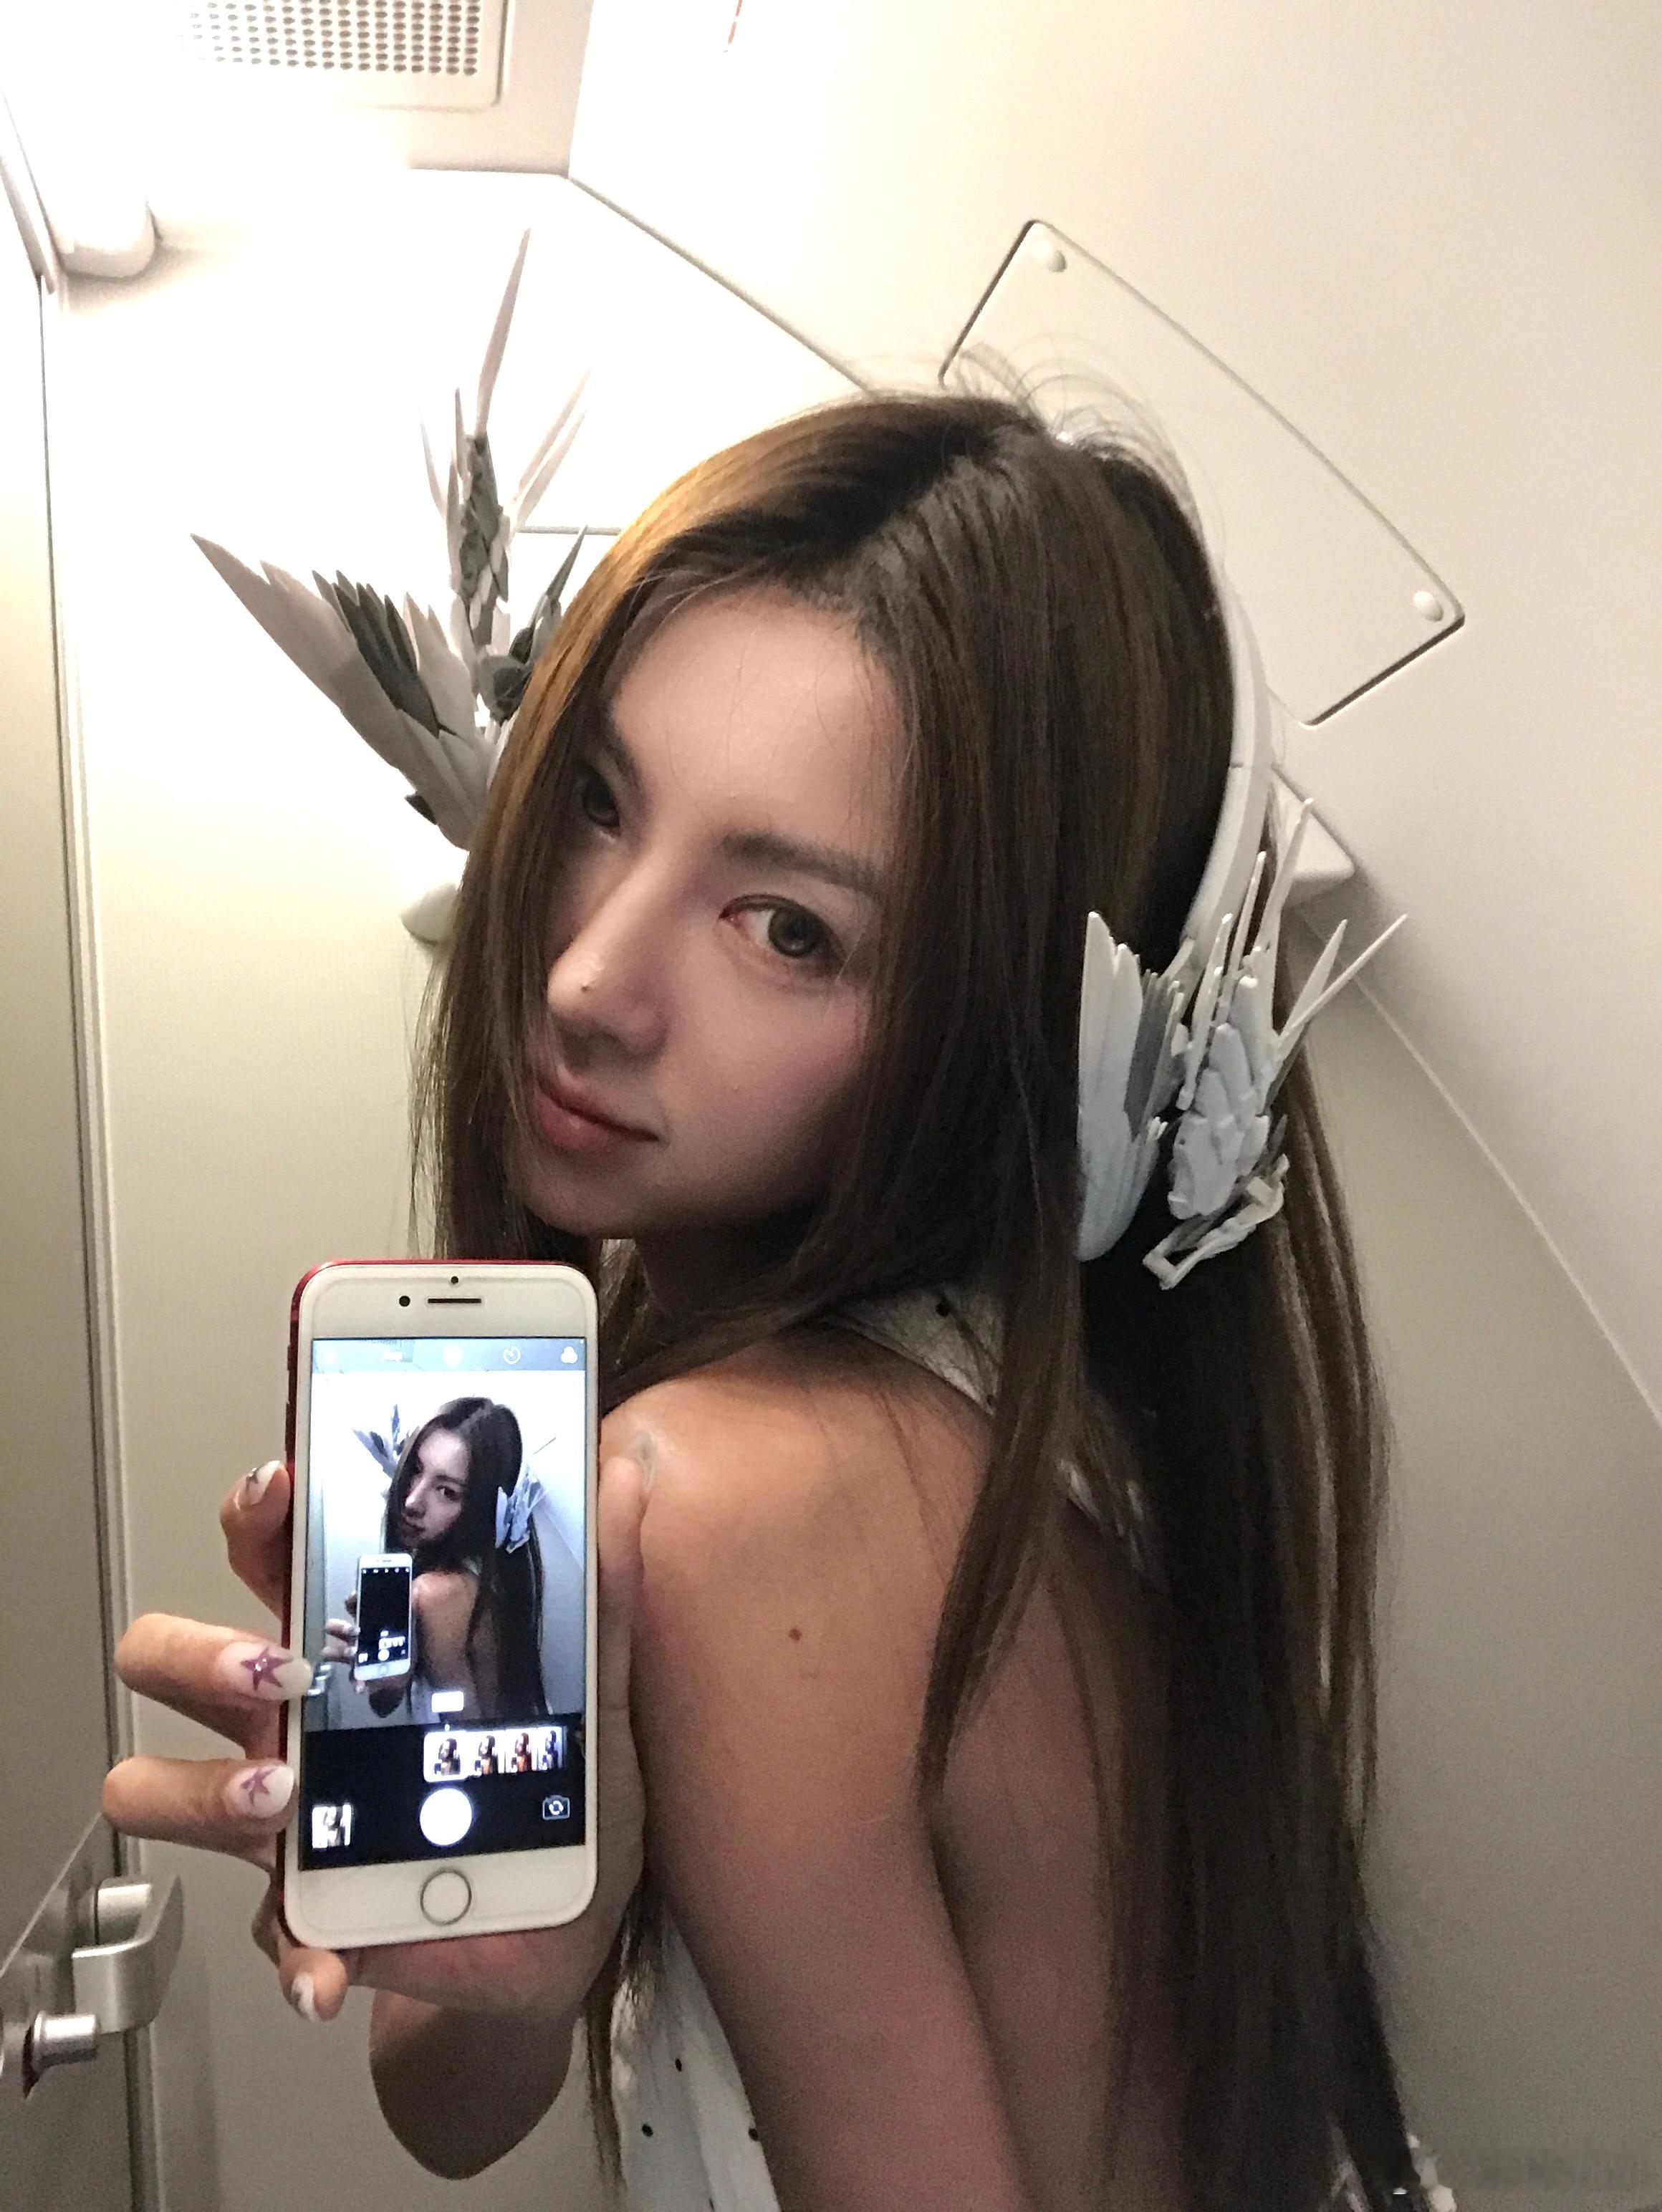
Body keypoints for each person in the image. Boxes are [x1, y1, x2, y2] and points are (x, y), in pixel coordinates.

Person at [102, 385, 1440, 2210]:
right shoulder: (1039, 1404)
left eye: (790, 927)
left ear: (995, 1034)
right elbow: (456, 2092)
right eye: (597, 802)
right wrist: (503, 1927)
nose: (585, 976)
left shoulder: (735, 1495)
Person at [322, 1400, 547, 1726]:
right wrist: (395, 1674)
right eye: (415, 1471)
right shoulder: (482, 1579)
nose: (412, 1501)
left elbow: (466, 1742)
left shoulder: (437, 1593)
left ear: (483, 1509)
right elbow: (384, 1704)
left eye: (447, 1492)